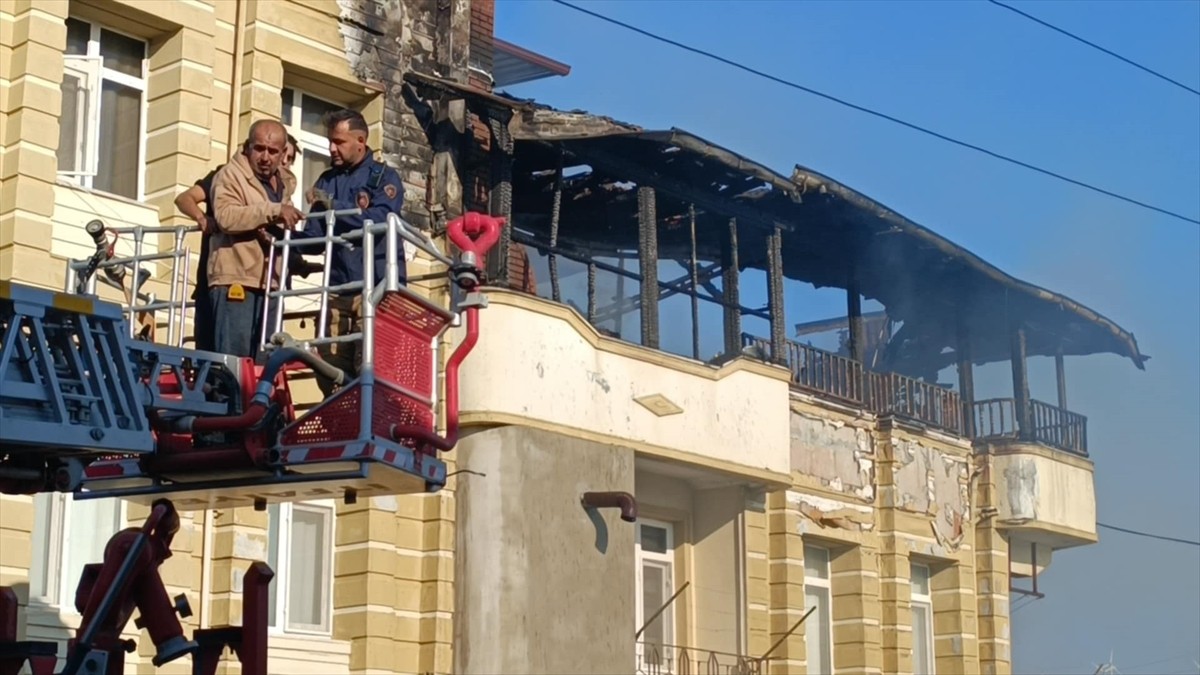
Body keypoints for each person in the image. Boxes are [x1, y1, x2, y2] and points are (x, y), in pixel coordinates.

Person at [300, 108, 404, 394]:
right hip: (337, 289)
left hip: (376, 288)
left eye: (338, 142)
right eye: (330, 141)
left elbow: (379, 220)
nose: (331, 148)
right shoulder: (326, 180)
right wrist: (279, 234)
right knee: (329, 369)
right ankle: (341, 416)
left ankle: (368, 416)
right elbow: (315, 238)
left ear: (361, 141)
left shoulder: (385, 178)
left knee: (370, 366)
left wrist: (332, 204)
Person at [208, 119, 303, 358]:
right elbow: (226, 216)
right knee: (236, 364)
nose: (265, 157)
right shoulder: (230, 175)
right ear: (247, 146)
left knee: (265, 363)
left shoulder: (284, 183)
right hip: (236, 280)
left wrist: (297, 262)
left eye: (272, 151)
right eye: (259, 148)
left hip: (271, 284)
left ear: (283, 153)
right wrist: (274, 210)